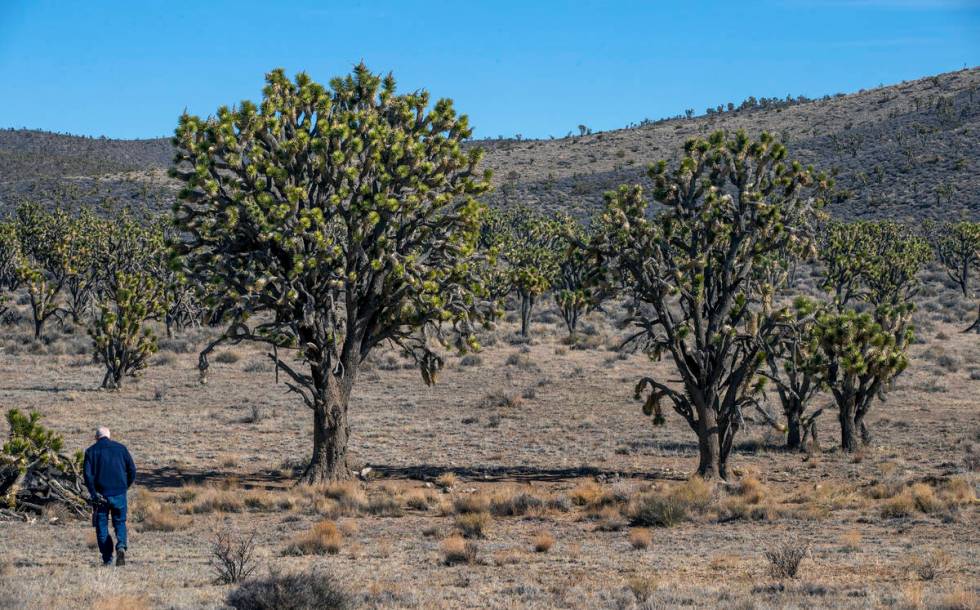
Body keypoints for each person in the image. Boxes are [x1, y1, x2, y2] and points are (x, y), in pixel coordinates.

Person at [83, 426, 136, 566]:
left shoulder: (90, 451)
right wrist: (125, 486)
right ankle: (121, 547)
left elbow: (87, 476)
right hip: (119, 493)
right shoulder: (121, 448)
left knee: (101, 527)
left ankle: (107, 559)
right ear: (109, 436)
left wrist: (93, 493)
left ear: (96, 438)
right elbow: (132, 470)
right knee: (119, 522)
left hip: (100, 496)